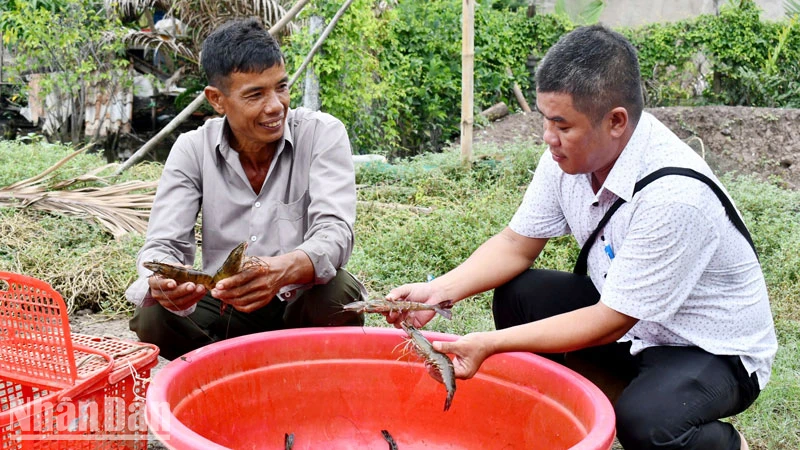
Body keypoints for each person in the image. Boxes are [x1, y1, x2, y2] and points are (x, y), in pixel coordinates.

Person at [385, 25, 776, 450]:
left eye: (562, 125)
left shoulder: (676, 196)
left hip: (706, 346)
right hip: (633, 321)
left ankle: (726, 443)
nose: (548, 139)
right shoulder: (566, 158)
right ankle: (583, 407)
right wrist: (436, 293)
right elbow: (516, 244)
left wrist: (490, 344)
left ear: (616, 122)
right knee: (518, 293)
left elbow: (611, 320)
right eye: (545, 121)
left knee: (649, 424)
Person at [126, 18, 365, 361]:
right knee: (152, 315)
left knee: (337, 292)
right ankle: (227, 373)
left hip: (296, 298)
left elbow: (335, 233)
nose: (275, 106)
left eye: (281, 87)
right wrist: (168, 285)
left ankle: (307, 370)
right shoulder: (192, 149)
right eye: (255, 94)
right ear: (217, 100)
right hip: (225, 303)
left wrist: (279, 270)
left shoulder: (322, 134)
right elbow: (163, 244)